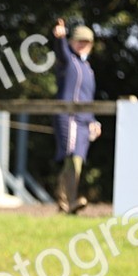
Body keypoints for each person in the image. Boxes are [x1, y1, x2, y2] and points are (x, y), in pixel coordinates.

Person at [51, 19, 102, 215]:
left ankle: (64, 202)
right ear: (72, 42)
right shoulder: (67, 61)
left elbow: (88, 98)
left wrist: (93, 121)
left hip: (84, 121)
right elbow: (61, 50)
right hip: (68, 116)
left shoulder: (88, 69)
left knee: (77, 159)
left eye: (86, 42)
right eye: (79, 41)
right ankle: (69, 201)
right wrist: (60, 37)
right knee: (71, 157)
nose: (83, 45)